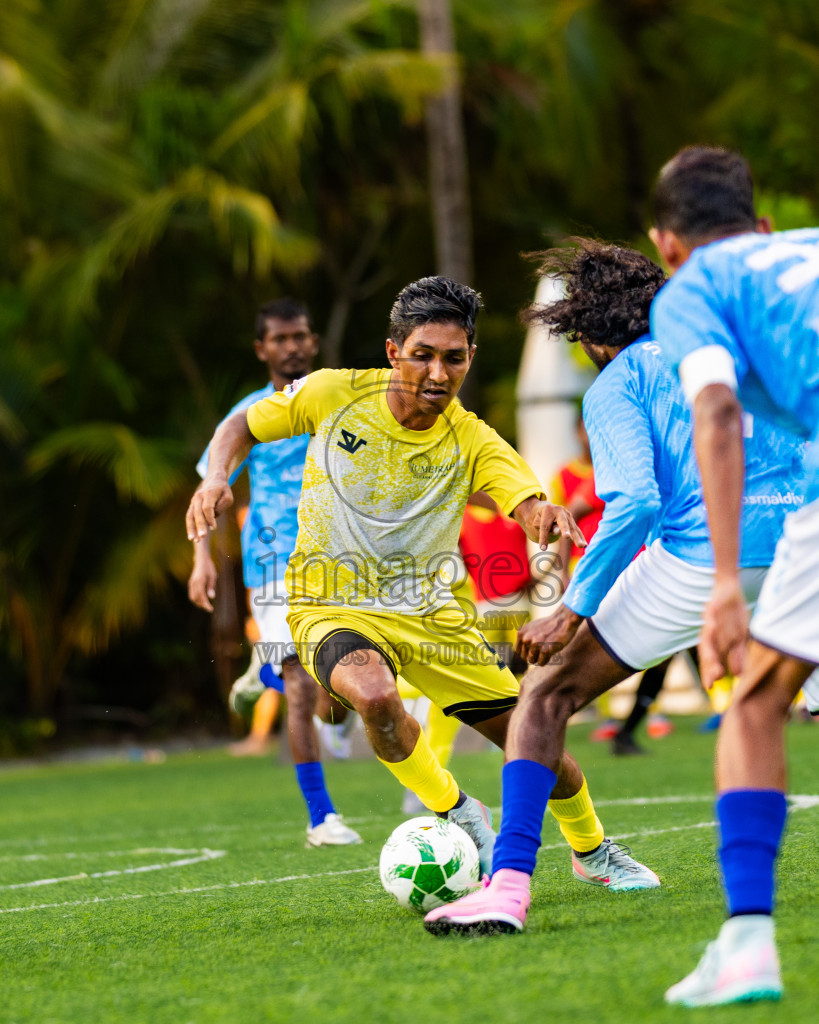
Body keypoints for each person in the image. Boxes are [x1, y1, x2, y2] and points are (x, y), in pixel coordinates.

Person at [185, 275, 649, 881]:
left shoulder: (474, 437)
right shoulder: (331, 395)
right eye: (422, 356)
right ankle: (457, 812)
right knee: (375, 697)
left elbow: (524, 497)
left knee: (540, 746)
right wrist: (216, 476)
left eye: (452, 359)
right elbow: (240, 426)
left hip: (435, 618)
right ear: (392, 352)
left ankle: (592, 851)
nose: (436, 374)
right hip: (330, 605)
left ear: (470, 359)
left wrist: (542, 515)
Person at [423, 239, 804, 937]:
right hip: (800, 547)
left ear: (588, 334)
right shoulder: (728, 351)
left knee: (545, 695)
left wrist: (570, 609)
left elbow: (633, 502)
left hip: (700, 557)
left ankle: (506, 887)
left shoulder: (617, 382)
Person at [645, 146, 819, 1007]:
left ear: (665, 243)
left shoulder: (690, 291)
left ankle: (747, 941)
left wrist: (722, 582)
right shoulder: (807, 246)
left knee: (753, 702)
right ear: (758, 223)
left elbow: (714, 409)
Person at [188, 298, 361, 846]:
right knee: (300, 685)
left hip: (343, 560)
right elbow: (211, 491)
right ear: (262, 349)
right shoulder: (246, 416)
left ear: (313, 342)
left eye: (300, 337)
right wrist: (200, 562)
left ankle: (259, 675)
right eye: (280, 339)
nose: (292, 346)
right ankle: (321, 818)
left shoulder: (341, 404)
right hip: (274, 563)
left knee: (339, 699)